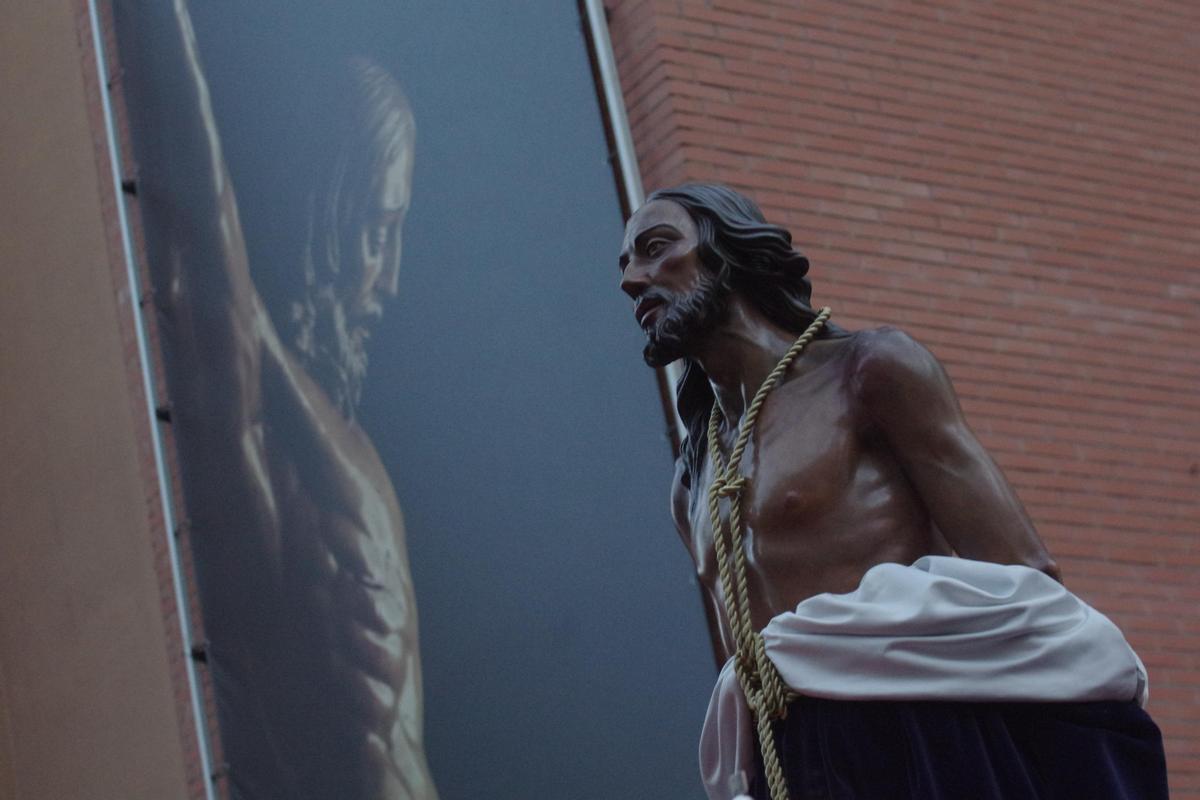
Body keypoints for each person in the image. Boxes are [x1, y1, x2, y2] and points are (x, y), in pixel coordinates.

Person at [617, 183, 1168, 800]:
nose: (633, 280)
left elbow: (1025, 574)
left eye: (655, 249)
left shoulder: (868, 371)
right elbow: (743, 658)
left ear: (727, 252)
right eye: (626, 264)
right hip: (792, 761)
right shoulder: (692, 478)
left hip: (916, 735)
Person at [118, 5, 436, 799]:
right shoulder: (257, 430)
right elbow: (199, 224)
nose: (390, 278)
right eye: (375, 231)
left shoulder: (345, 444)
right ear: (319, 218)